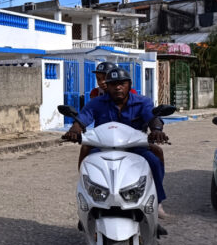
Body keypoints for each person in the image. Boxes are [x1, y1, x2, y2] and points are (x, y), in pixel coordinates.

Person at [63, 68, 169, 218]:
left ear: (129, 84)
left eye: (122, 83)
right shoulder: (97, 102)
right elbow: (84, 117)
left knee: (154, 160)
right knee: (89, 163)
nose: (117, 87)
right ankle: (88, 203)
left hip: (134, 147)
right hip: (103, 148)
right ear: (107, 86)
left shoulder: (142, 102)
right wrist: (75, 129)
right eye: (113, 84)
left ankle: (156, 200)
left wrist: (157, 129)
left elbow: (151, 117)